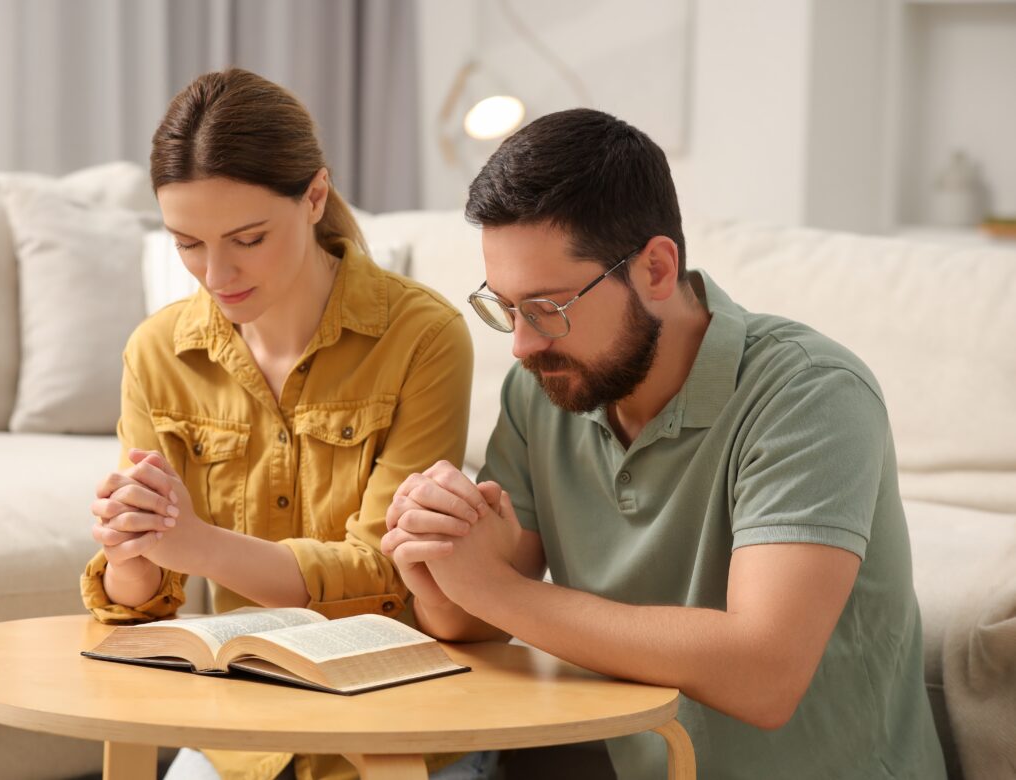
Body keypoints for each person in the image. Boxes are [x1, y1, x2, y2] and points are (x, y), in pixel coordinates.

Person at [382, 108, 948, 779]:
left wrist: (494, 591)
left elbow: (763, 676)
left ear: (655, 268)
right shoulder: (544, 391)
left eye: (548, 309)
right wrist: (439, 564)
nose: (522, 343)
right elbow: (477, 619)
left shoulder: (812, 395)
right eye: (504, 307)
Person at [79, 68, 492, 780]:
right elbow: (140, 603)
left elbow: (391, 576)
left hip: (396, 729)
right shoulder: (157, 351)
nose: (215, 272)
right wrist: (129, 549)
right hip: (244, 738)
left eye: (247, 238)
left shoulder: (423, 336)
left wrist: (199, 545)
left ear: (315, 197)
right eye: (187, 243)